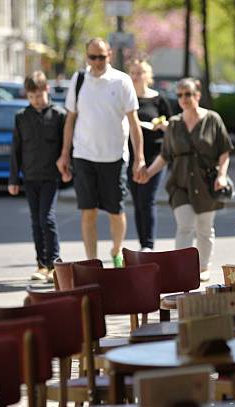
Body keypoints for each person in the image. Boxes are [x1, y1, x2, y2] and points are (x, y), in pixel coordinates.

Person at [57, 38, 145, 267]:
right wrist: (64, 154)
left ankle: (116, 251)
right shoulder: (78, 80)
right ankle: (92, 262)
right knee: (88, 212)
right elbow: (70, 120)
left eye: (101, 57)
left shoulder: (121, 81)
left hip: (114, 157)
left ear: (110, 56)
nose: (97, 62)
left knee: (116, 211)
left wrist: (140, 159)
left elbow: (134, 124)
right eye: (92, 57)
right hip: (84, 156)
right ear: (87, 57)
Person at [141, 78, 234, 281]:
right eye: (180, 95)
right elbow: (165, 155)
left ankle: (203, 268)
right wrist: (148, 172)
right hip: (180, 183)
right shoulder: (174, 124)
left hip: (207, 183)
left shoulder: (212, 119)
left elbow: (224, 151)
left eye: (188, 94)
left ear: (197, 96)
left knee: (204, 228)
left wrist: (222, 175)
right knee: (185, 226)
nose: (184, 98)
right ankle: (181, 269)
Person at [8, 71, 70, 282]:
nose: (36, 100)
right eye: (31, 97)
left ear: (47, 90)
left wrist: (68, 170)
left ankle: (54, 264)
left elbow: (66, 147)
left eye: (39, 96)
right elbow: (15, 149)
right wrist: (13, 179)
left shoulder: (59, 115)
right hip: (30, 176)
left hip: (50, 176)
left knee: (47, 218)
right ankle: (41, 264)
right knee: (36, 221)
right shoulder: (21, 117)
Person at [127, 59, 172, 251]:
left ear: (149, 75)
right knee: (137, 201)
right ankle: (142, 243)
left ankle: (148, 245)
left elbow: (173, 126)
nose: (137, 76)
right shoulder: (127, 99)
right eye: (133, 73)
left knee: (147, 198)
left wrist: (163, 125)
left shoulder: (159, 99)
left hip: (156, 155)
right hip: (130, 156)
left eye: (140, 72)